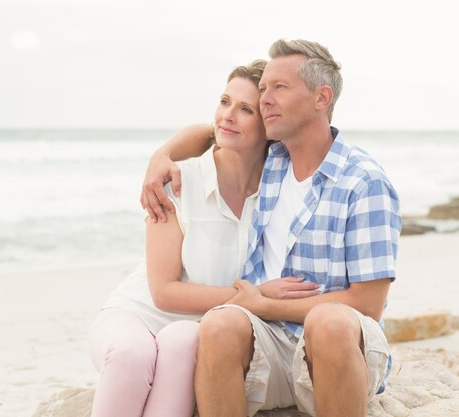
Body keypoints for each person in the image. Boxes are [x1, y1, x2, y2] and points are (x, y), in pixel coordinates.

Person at [141, 39, 402, 417]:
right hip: (270, 341)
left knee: (327, 321)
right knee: (219, 324)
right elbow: (215, 129)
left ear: (321, 98)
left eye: (279, 87)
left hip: (338, 348)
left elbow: (367, 304)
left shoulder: (364, 182)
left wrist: (264, 303)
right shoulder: (273, 159)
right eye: (263, 90)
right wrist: (161, 156)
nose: (265, 99)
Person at [88, 59, 320, 417]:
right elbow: (163, 291)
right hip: (139, 313)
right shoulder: (177, 181)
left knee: (182, 344)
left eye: (245, 109)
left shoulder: (280, 190)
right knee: (133, 355)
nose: (227, 115)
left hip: (196, 327)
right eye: (224, 102)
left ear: (269, 123)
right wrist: (254, 297)